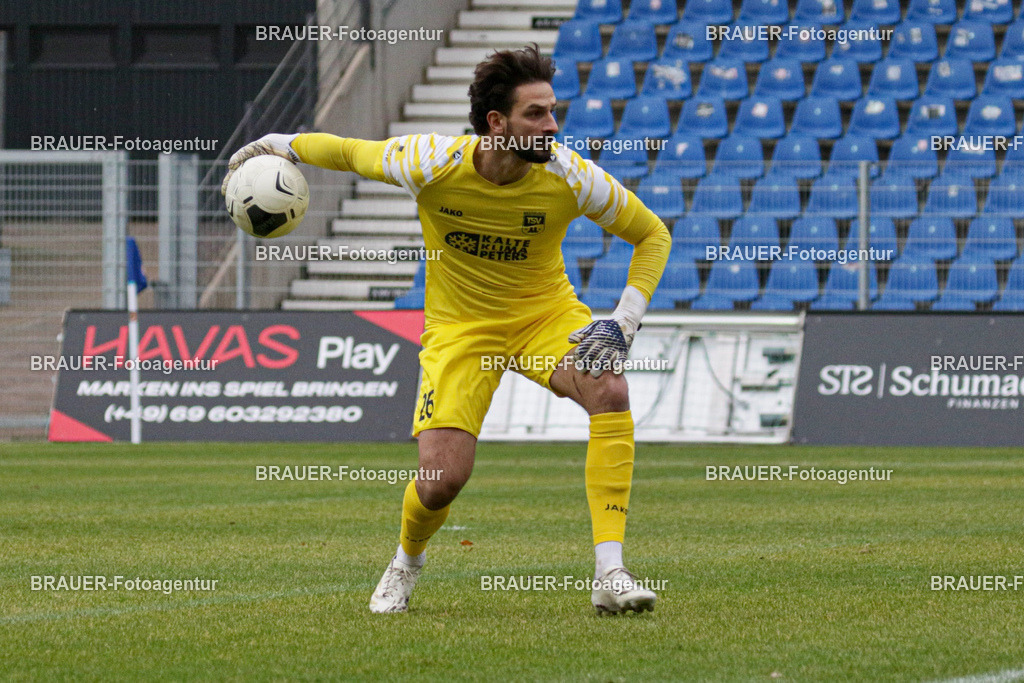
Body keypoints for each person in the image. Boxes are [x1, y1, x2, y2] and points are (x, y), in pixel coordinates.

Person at [222, 45, 671, 614]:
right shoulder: (430, 161)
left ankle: (611, 572)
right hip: (461, 331)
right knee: (440, 481)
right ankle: (406, 561)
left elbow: (652, 234)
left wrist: (623, 322)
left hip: (544, 315)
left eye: (553, 111)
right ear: (496, 122)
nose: (551, 125)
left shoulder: (571, 175)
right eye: (536, 114)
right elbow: (347, 152)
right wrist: (275, 146)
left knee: (610, 388)